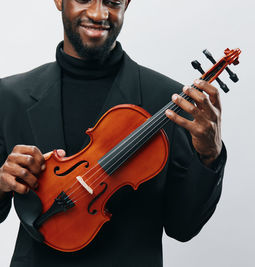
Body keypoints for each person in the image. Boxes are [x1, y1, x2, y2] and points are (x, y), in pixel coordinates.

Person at [0, 0, 226, 266]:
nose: (98, 13)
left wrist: (209, 155)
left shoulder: (170, 103)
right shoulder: (10, 96)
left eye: (112, 2)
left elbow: (184, 227)